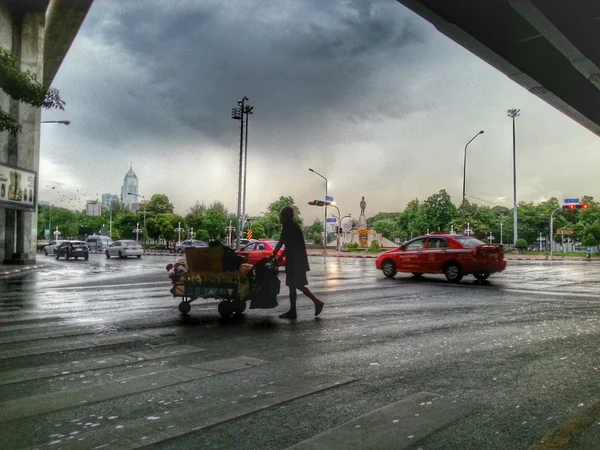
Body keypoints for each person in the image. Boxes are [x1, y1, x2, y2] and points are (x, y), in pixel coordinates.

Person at [271, 206, 324, 319]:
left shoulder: (289, 227)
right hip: (295, 260)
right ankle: (293, 310)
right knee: (292, 286)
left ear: (286, 216)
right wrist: (280, 256)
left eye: (282, 215)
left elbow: (281, 243)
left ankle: (317, 302)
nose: (280, 217)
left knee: (297, 285)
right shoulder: (293, 226)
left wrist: (273, 255)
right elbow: (289, 246)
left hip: (295, 262)